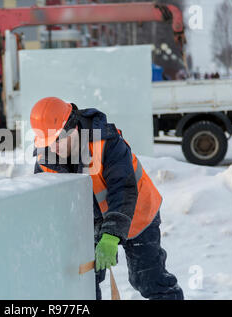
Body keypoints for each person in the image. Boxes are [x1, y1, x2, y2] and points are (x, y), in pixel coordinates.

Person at [30, 97, 184, 300]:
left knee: (147, 279)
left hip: (138, 214)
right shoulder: (45, 159)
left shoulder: (107, 142)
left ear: (72, 128)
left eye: (57, 139)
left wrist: (111, 235)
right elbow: (46, 201)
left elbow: (124, 189)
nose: (53, 147)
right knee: (84, 281)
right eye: (47, 142)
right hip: (91, 224)